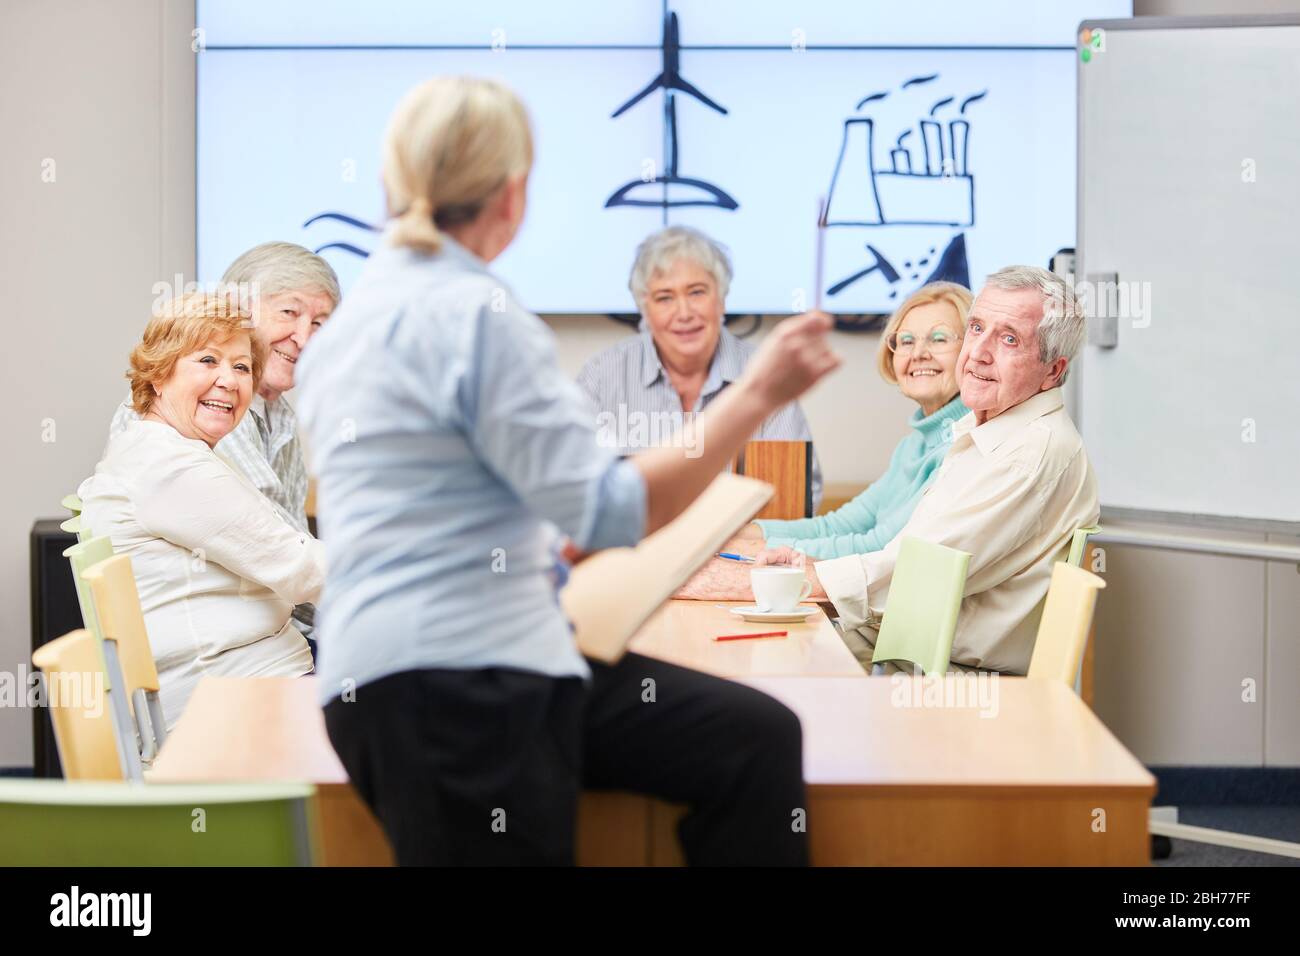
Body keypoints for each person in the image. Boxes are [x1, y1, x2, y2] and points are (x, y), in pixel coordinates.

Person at [297, 76, 840, 866]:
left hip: (389, 674)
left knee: (753, 740)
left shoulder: (351, 322)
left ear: (392, 181)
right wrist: (758, 394)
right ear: (512, 197)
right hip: (468, 680)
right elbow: (610, 507)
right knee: (755, 742)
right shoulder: (478, 316)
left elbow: (460, 504)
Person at [683, 265, 1099, 676]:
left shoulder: (1025, 453)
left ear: (1053, 371)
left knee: (724, 671)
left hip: (942, 678)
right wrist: (787, 567)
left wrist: (740, 579)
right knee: (711, 650)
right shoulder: (984, 431)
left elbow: (911, 576)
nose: (980, 353)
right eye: (976, 329)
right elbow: (890, 555)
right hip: (901, 646)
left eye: (1009, 339)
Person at [80, 293, 323, 728]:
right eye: (208, 360)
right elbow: (300, 567)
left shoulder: (165, 449)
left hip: (248, 682)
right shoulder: (168, 466)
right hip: (231, 703)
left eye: (242, 367)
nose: (229, 381)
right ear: (159, 374)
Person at [577, 225, 824, 511]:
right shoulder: (601, 378)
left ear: (721, 299)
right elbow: (577, 489)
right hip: (636, 549)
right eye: (665, 298)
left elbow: (794, 495)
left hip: (742, 550)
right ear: (645, 309)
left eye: (697, 292)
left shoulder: (766, 375)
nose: (684, 313)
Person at [108, 241, 339, 534]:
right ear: (235, 308)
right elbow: (265, 539)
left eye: (319, 324)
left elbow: (291, 537)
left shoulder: (278, 414)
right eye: (289, 312)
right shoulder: (209, 401)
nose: (305, 339)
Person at [743, 282, 971, 559]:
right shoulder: (912, 446)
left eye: (939, 338)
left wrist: (766, 549)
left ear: (973, 351)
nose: (918, 353)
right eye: (907, 341)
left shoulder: (963, 447)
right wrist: (745, 534)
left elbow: (881, 546)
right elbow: (840, 525)